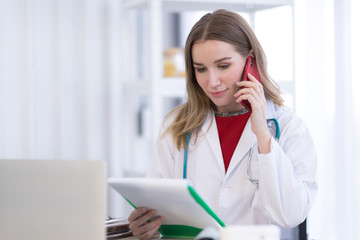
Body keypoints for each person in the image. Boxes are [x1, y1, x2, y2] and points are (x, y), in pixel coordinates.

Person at [128, 9, 317, 239]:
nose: (212, 82)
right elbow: (158, 209)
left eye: (223, 66)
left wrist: (262, 135)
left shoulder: (289, 129)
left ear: (251, 62)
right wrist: (147, 229)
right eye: (201, 69)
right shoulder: (176, 126)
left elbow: (290, 215)